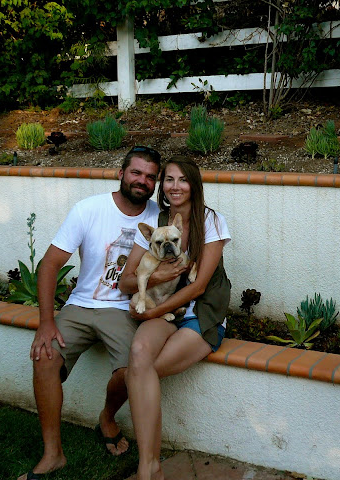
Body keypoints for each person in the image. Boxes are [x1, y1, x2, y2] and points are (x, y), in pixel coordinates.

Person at [18, 146, 188, 480]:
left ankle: (107, 417)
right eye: (136, 172)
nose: (142, 181)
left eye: (150, 176)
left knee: (132, 371)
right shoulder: (88, 209)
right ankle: (53, 454)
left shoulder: (160, 218)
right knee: (45, 356)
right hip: (81, 304)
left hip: (125, 308)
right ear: (121, 173)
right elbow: (49, 264)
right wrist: (46, 322)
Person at [119, 156, 231, 480]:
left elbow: (199, 286)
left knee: (142, 373)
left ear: (194, 184)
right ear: (162, 186)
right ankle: (150, 465)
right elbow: (127, 281)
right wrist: (153, 284)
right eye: (169, 179)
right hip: (164, 307)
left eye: (183, 179)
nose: (176, 186)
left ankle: (147, 467)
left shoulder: (211, 220)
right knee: (139, 353)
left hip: (201, 313)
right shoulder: (155, 223)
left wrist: (153, 311)